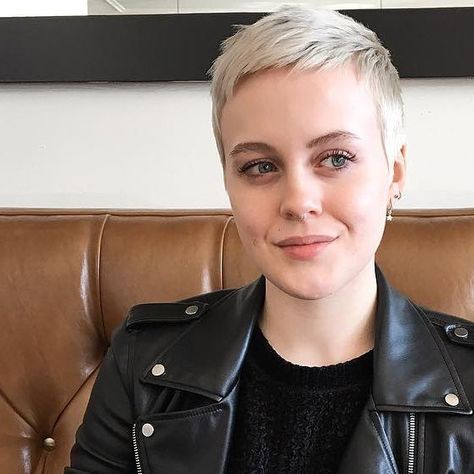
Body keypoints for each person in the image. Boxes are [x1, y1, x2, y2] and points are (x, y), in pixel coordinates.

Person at [65, 5, 474, 474]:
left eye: (336, 158)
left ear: (394, 174)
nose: (298, 202)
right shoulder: (143, 363)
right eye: (260, 166)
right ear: (228, 183)